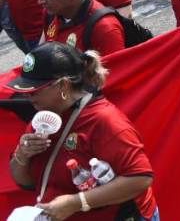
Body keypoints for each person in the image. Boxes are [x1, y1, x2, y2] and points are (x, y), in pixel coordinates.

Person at [8, 42, 158, 220]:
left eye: (35, 91)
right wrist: (22, 155)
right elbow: (26, 181)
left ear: (63, 85)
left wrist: (76, 202)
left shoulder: (105, 121)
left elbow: (140, 179)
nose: (28, 96)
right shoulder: (42, 119)